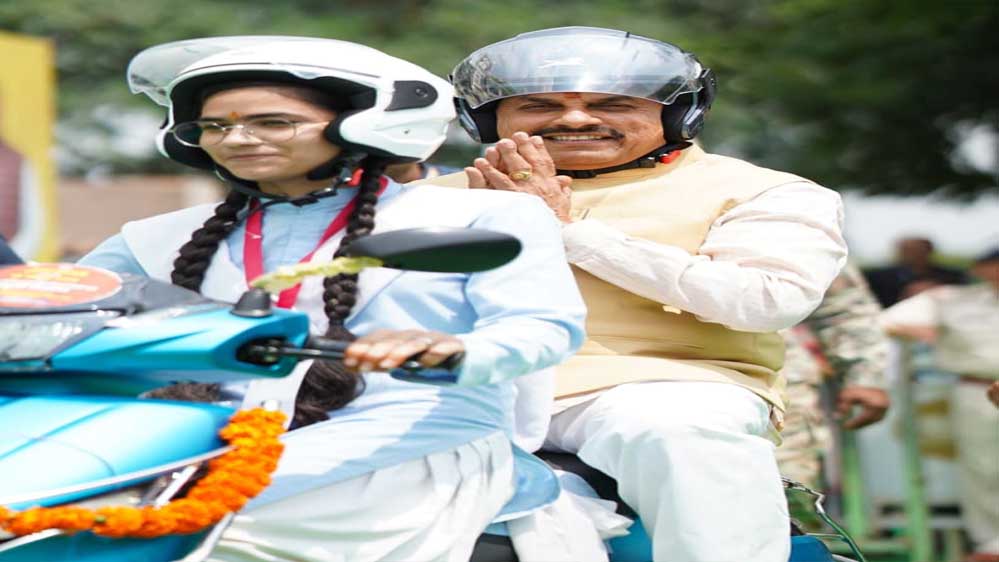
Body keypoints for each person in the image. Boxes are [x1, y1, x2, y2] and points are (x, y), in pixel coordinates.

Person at [79, 36, 587, 562]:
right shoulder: (154, 236)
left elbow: (543, 329)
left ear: (363, 124)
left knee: (195, 536)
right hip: (203, 437)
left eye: (272, 122)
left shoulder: (484, 216)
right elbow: (53, 299)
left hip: (407, 444)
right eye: (215, 126)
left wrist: (454, 351)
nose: (237, 139)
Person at [433, 26, 848, 562]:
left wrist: (565, 231)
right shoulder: (423, 197)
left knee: (677, 431)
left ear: (678, 116)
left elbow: (767, 300)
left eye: (612, 104)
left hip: (655, 386)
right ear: (486, 120)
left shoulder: (762, 192)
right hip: (461, 386)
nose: (575, 119)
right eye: (539, 105)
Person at [881, 247, 999, 562]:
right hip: (977, 387)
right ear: (981, 269)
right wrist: (919, 331)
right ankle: (991, 544)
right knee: (984, 466)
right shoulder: (948, 299)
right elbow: (883, 321)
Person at [777, 263, 890, 527]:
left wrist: (864, 376)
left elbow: (841, 305)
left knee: (786, 504)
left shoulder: (791, 235)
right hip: (677, 382)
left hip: (772, 383)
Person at [864, 236, 968, 307]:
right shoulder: (878, 277)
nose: (912, 254)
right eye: (907, 250)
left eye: (917, 250)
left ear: (929, 251)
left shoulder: (952, 276)